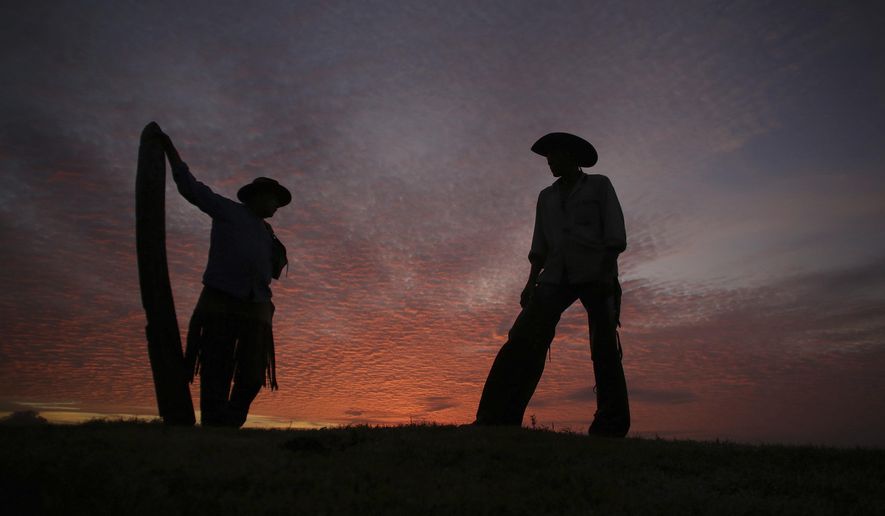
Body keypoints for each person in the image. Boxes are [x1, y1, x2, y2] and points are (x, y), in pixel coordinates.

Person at [475, 132, 630, 437]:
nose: (549, 162)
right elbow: (540, 245)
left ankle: (611, 425)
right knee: (521, 338)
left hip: (595, 273)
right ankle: (496, 417)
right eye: (547, 157)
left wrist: (606, 274)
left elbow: (614, 232)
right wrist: (531, 281)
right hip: (555, 276)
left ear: (571, 157)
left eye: (554, 156)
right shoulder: (546, 197)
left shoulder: (599, 185)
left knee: (604, 349)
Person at [143, 122, 290, 428]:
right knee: (216, 366)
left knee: (251, 373)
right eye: (272, 198)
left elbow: (268, 271)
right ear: (257, 196)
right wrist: (170, 150)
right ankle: (214, 424)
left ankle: (231, 419)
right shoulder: (227, 210)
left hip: (257, 307)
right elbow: (190, 188)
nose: (276, 204)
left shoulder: (267, 232)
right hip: (220, 301)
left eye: (278, 200)